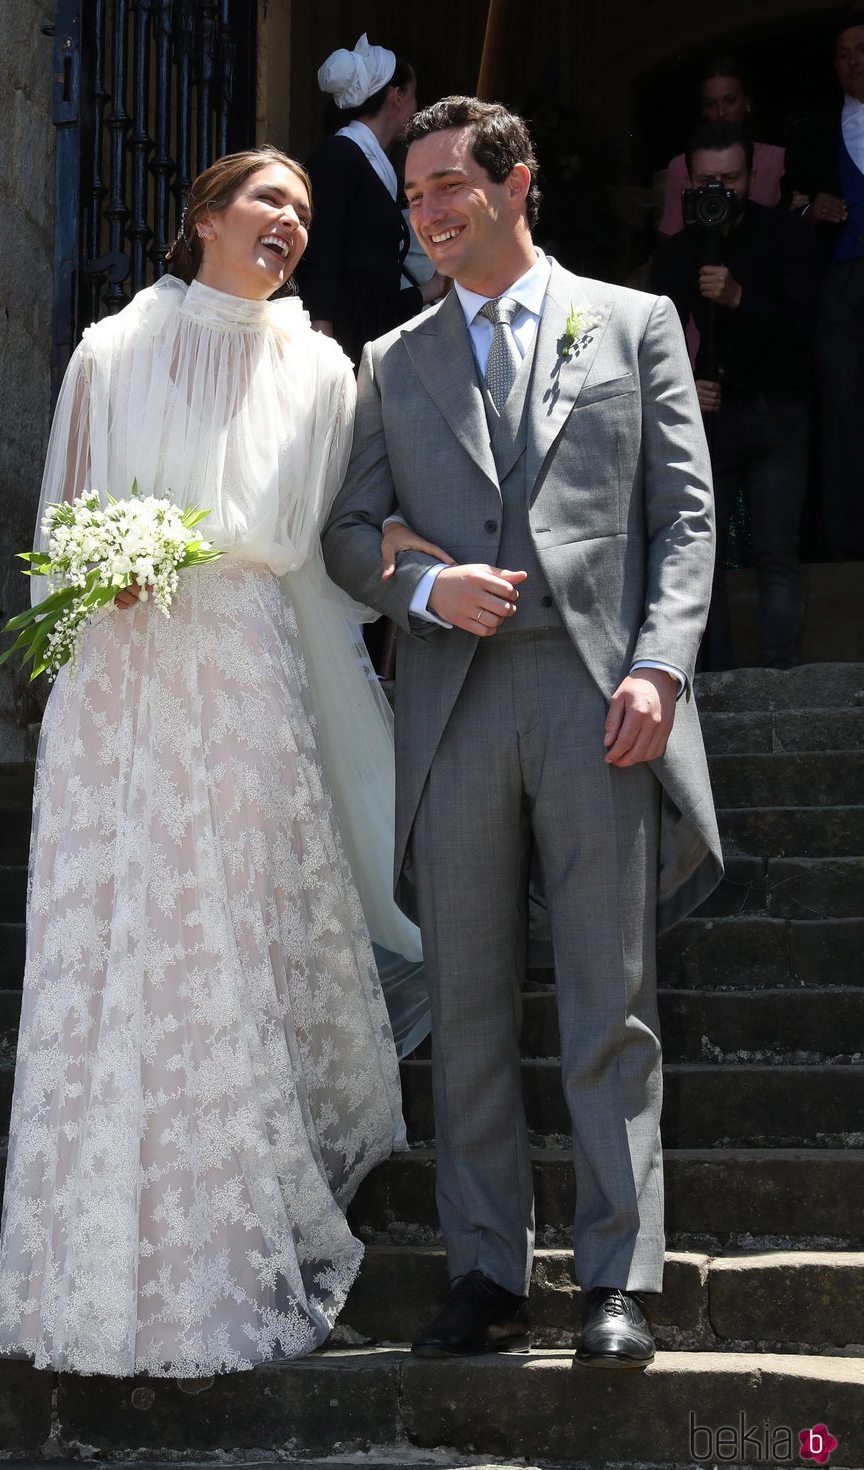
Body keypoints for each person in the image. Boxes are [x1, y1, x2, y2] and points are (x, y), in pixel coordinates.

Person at [0, 147, 433, 1380]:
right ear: (204, 218)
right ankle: (90, 1268)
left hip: (243, 666)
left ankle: (225, 1237)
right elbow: (59, 523)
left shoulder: (325, 367)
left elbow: (335, 539)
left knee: (223, 940)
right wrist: (97, 570)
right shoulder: (109, 349)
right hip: (118, 681)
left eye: (300, 206)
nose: (288, 221)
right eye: (266, 199)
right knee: (110, 941)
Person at [323, 97, 722, 1370]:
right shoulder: (392, 361)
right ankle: (485, 1273)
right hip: (452, 706)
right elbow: (348, 533)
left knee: (611, 1004)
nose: (429, 211)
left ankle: (617, 1280)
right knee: (471, 1006)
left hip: (592, 694)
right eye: (413, 197)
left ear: (516, 183)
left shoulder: (632, 322)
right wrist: (424, 590)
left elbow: (686, 519)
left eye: (447, 185)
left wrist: (657, 667)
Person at [651, 122, 818, 670]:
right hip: (710, 413)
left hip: (777, 411)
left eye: (731, 178)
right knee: (704, 554)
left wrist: (740, 296)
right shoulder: (677, 253)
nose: (719, 191)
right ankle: (716, 683)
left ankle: (779, 683)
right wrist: (683, 386)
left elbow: (804, 327)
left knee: (775, 551)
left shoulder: (785, 237)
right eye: (707, 180)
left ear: (751, 176)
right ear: (687, 185)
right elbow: (656, 338)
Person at [297, 33, 445, 366]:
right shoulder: (339, 156)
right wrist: (323, 353)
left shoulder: (373, 162)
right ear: (397, 95)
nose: (416, 106)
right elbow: (321, 255)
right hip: (344, 346)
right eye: (414, 94)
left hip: (372, 335)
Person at [782, 12, 864, 558]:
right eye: (844, 53)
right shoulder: (814, 131)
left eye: (863, 49)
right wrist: (814, 206)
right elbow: (787, 203)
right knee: (843, 413)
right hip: (840, 285)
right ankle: (847, 551)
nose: (854, 61)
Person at [658, 57, 785, 238]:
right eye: (711, 104)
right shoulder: (679, 166)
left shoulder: (778, 160)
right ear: (703, 109)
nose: (721, 112)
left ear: (746, 102)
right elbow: (671, 240)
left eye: (730, 100)